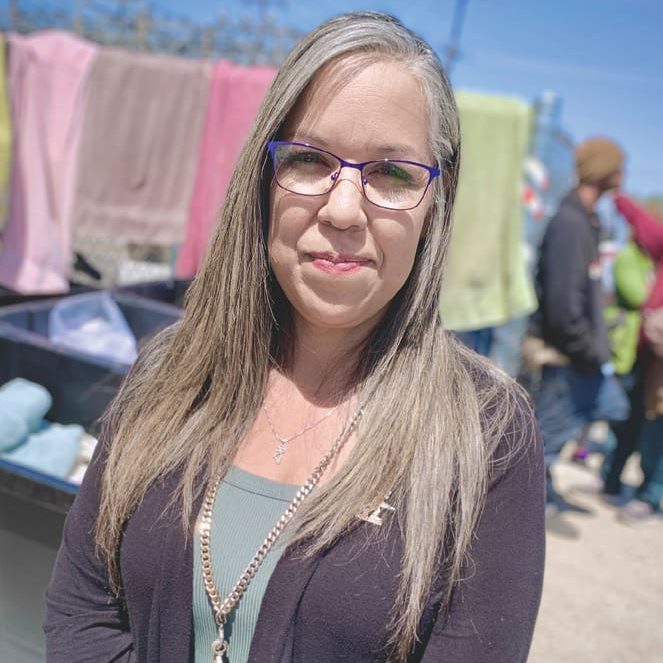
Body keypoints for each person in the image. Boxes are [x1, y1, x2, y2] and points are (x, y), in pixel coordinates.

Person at [44, 12, 545, 663]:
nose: (341, 210)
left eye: (391, 173)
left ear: (434, 206)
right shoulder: (167, 373)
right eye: (308, 159)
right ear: (262, 179)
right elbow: (83, 613)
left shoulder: (486, 432)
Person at [529, 136, 630, 511]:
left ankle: (542, 488)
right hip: (566, 356)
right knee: (546, 435)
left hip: (580, 354)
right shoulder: (570, 224)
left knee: (610, 408)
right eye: (618, 165)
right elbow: (562, 305)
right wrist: (587, 351)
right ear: (603, 169)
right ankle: (528, 500)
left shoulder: (586, 220)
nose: (623, 173)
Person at [602, 194, 663, 521]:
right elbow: (646, 225)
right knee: (640, 419)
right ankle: (624, 482)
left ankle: (651, 494)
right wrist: (618, 197)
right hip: (650, 356)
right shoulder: (648, 251)